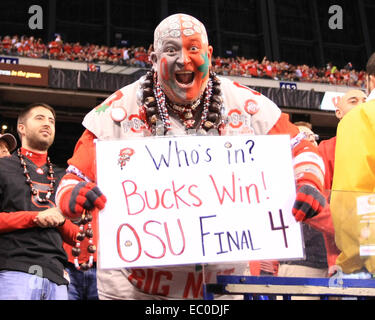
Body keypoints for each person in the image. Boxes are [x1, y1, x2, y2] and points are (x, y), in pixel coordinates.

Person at [56, 13, 326, 300]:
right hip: (136, 287)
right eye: (171, 50)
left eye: (193, 49)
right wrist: (73, 196)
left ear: (209, 54)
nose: (183, 60)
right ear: (152, 57)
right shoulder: (116, 112)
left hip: (223, 286)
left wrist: (308, 182)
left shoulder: (248, 106)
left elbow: (301, 147)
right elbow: (74, 177)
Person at [0, 103, 79, 300]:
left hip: (57, 275)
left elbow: (78, 236)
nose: (47, 124)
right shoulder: (2, 167)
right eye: (39, 118)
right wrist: (35, 217)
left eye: (51, 121)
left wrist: (60, 221)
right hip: (13, 270)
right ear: (21, 128)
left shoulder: (65, 177)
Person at [330, 52, 375, 279]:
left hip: (368, 264)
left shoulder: (360, 118)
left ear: (371, 80)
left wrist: (356, 260)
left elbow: (349, 196)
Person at [277, 122, 328, 300]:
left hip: (321, 265)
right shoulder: (284, 178)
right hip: (301, 264)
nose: (309, 142)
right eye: (303, 138)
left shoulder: (324, 171)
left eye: (312, 137)